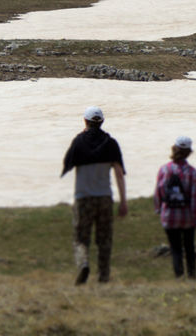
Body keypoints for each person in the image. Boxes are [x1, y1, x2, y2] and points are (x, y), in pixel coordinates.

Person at [61, 105, 127, 284]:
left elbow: (67, 163)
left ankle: (83, 263)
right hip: (105, 197)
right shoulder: (110, 143)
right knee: (104, 240)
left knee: (81, 238)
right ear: (102, 122)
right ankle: (103, 277)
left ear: (85, 121)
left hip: (83, 198)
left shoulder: (79, 142)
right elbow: (119, 173)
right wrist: (123, 202)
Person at [153, 134, 196, 279]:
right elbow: (194, 199)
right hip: (187, 217)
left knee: (175, 248)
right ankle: (192, 275)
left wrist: (159, 210)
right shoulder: (193, 173)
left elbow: (158, 193)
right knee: (189, 247)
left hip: (169, 216)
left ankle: (179, 275)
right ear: (189, 152)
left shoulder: (164, 170)